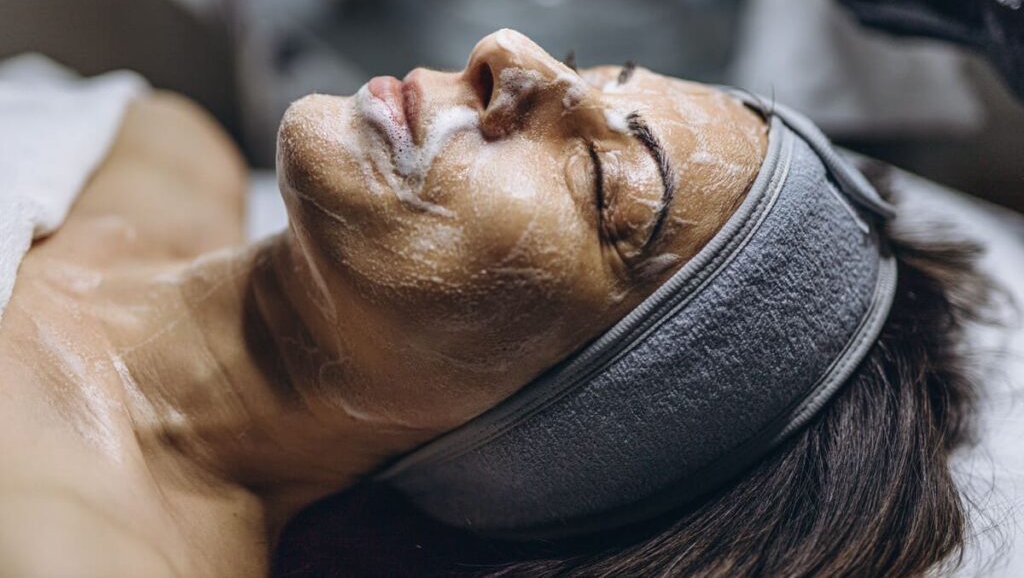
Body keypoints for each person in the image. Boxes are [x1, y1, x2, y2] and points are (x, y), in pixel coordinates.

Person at [0, 30, 1015, 577]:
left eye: (605, 188)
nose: (510, 53)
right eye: (588, 63)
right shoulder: (160, 142)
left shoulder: (67, 547)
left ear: (549, 435)